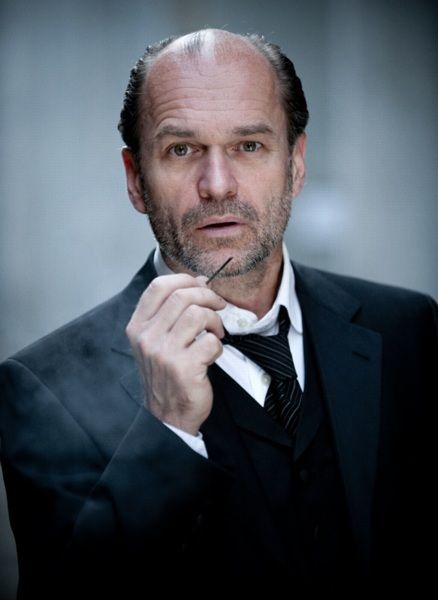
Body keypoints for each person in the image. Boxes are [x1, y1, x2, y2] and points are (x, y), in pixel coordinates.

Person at [0, 28, 436, 596]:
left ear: (296, 164)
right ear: (136, 179)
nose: (218, 185)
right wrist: (167, 429)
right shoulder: (41, 388)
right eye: (181, 150)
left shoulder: (408, 329)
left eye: (249, 146)